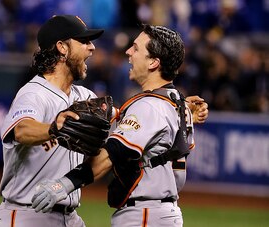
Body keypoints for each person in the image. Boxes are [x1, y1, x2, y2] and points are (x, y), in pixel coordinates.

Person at [31, 24, 207, 227]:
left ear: (153, 63)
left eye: (136, 48)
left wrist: (63, 185)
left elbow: (111, 154)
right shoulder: (178, 102)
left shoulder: (150, 106)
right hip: (161, 212)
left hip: (145, 215)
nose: (128, 52)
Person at [0, 15, 105, 227]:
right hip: (27, 214)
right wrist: (54, 127)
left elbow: (124, 122)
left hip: (70, 217)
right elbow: (22, 130)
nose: (92, 48)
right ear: (62, 48)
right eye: (84, 41)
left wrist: (173, 106)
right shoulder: (34, 93)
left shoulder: (85, 98)